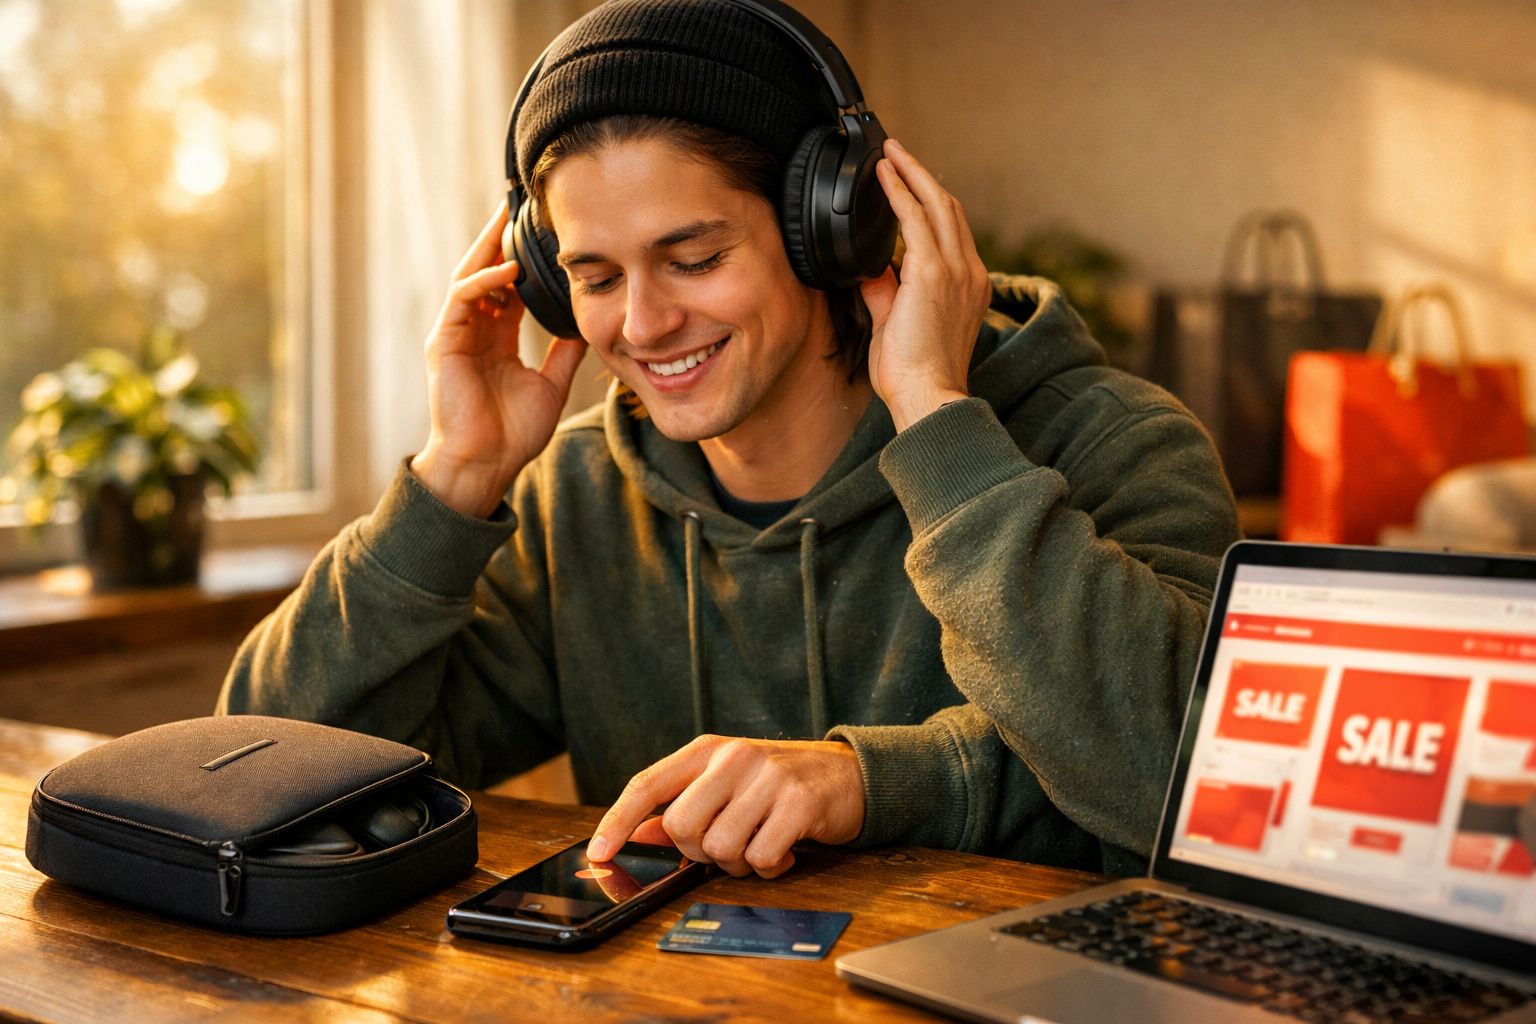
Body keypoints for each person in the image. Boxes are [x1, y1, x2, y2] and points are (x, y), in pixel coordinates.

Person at [218, 0, 1239, 879]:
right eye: (597, 277)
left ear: (830, 227)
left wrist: (936, 419)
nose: (644, 323)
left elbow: (1202, 785)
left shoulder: (1114, 442)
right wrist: (455, 480)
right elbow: (267, 781)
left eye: (693, 257)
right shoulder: (575, 497)